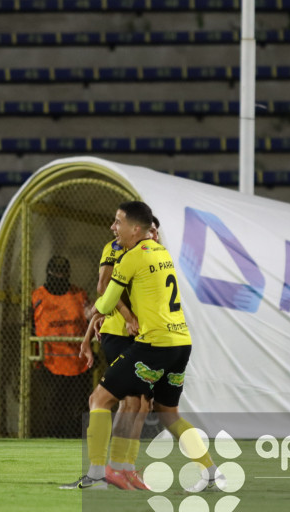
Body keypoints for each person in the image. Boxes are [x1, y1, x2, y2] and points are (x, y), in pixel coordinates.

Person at [61, 201, 220, 490]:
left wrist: (92, 312)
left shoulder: (131, 257)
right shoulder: (163, 252)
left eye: (118, 222)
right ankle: (210, 473)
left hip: (153, 344)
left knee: (100, 400)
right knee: (168, 413)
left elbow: (107, 299)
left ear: (136, 229)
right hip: (180, 342)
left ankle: (98, 475)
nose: (113, 228)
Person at [78, 218, 161, 491]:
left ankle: (123, 468)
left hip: (142, 337)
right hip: (119, 334)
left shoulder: (153, 256)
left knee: (140, 405)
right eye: (152, 229)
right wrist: (93, 333)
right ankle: (106, 470)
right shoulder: (115, 249)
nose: (114, 227)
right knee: (115, 400)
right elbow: (105, 290)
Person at [31, 255, 92, 437]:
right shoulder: (38, 297)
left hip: (78, 364)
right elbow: (30, 325)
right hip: (51, 364)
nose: (59, 277)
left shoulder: (79, 295)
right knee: (54, 412)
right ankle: (54, 444)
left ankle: (75, 444)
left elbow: (90, 317)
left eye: (62, 273)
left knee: (78, 411)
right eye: (55, 273)